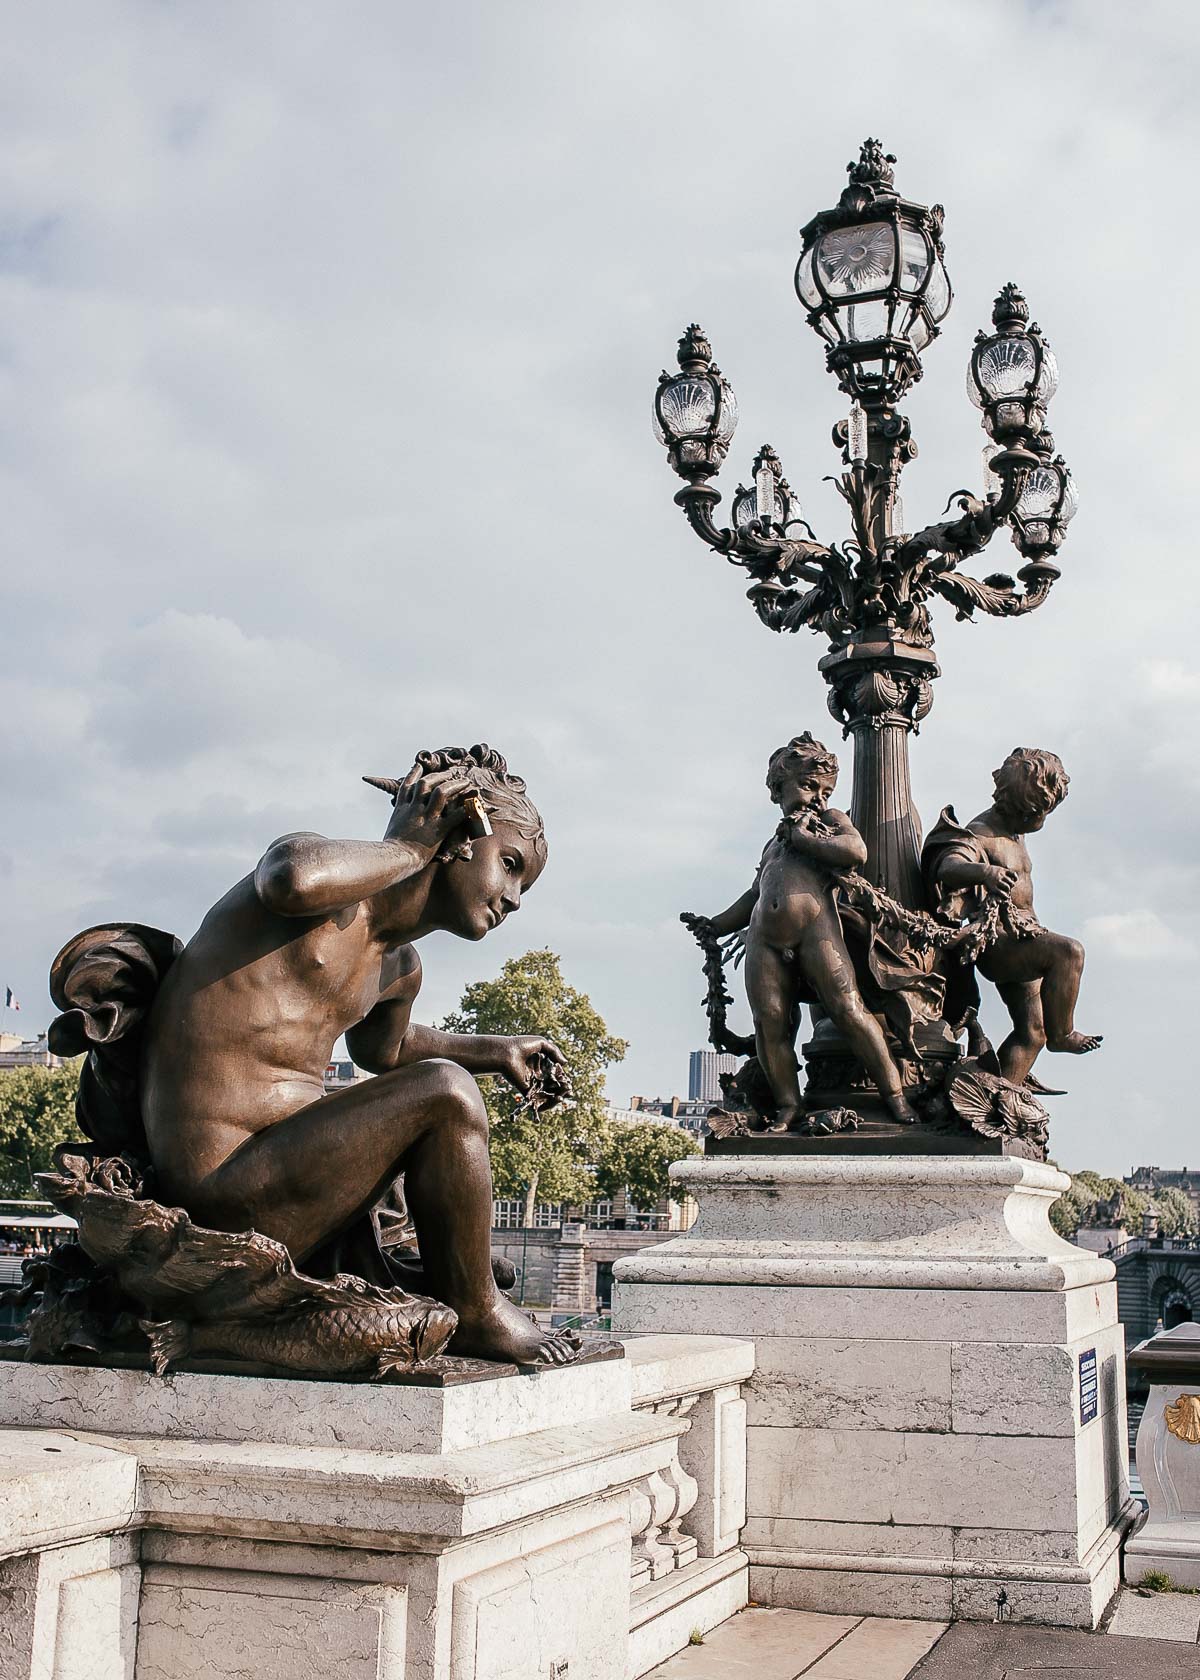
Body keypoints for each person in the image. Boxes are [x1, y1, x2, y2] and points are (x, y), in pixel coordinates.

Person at [53, 745, 578, 1367]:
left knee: (442, 1093)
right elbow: (287, 876)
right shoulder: (319, 891)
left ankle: (454, 1284)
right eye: (510, 865)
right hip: (224, 1185)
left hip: (289, 1179)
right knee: (444, 1090)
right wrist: (411, 846)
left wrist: (495, 1049)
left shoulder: (398, 965)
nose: (514, 898)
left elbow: (388, 1052)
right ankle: (476, 1314)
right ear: (462, 835)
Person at [692, 733, 918, 1131]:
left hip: (818, 932)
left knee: (849, 1010)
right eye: (808, 786)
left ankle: (896, 1098)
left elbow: (856, 852)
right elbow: (754, 895)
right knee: (771, 1022)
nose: (819, 797)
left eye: (826, 789)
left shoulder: (829, 823)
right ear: (778, 789)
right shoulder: (771, 846)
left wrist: (803, 835)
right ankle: (787, 1104)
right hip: (764, 939)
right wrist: (716, 924)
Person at [922, 747, 1101, 1087]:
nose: (1042, 822)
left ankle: (999, 1095)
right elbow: (949, 867)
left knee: (1033, 1033)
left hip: (1025, 938)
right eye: (1039, 814)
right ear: (1021, 808)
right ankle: (1063, 1035)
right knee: (1069, 952)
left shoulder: (1014, 831)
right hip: (1001, 945)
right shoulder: (981, 833)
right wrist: (986, 873)